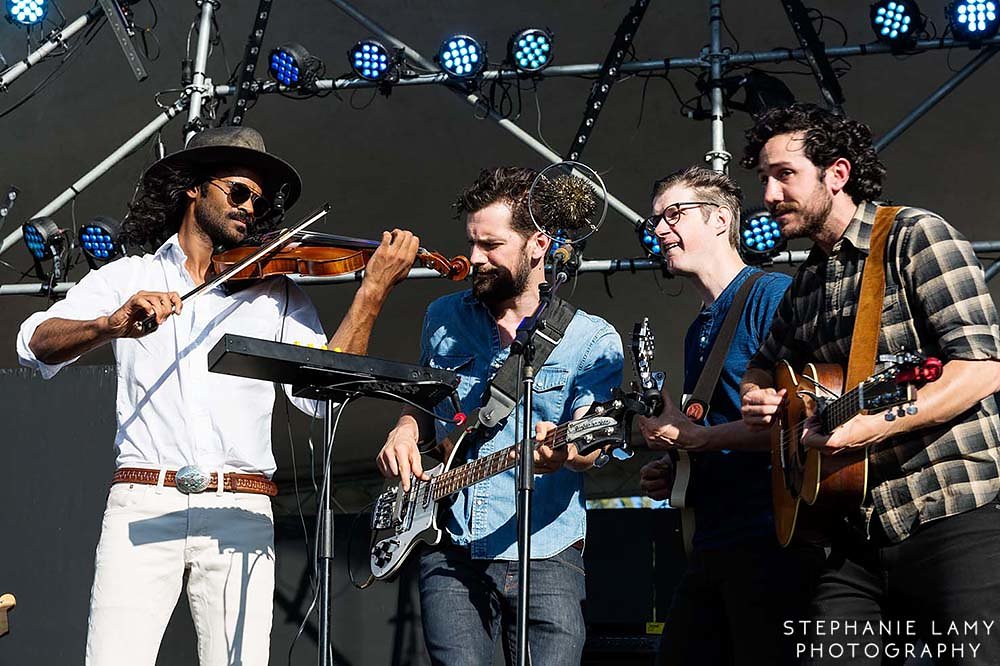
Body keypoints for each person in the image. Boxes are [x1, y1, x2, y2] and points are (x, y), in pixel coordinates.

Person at [16, 126, 419, 666]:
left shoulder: (276, 290)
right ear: (195, 190)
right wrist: (109, 325)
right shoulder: (127, 276)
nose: (251, 208)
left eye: (259, 199)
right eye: (239, 191)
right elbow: (34, 342)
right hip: (143, 502)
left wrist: (371, 292)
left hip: (240, 505)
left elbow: (320, 395)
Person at [739, 103, 1000, 664]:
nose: (768, 195)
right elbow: (762, 365)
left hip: (950, 510)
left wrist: (871, 426)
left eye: (784, 175)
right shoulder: (806, 280)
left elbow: (981, 366)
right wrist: (760, 395)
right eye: (764, 178)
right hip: (853, 531)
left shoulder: (916, 236)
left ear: (837, 174)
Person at [375, 167, 623, 666]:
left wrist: (568, 451)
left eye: (491, 245)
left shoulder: (593, 340)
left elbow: (593, 442)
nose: (474, 258)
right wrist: (404, 427)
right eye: (472, 242)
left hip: (546, 550)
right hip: (451, 546)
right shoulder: (443, 316)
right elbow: (424, 402)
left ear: (538, 244)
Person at [636, 166, 819, 665]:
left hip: (771, 537)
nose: (659, 230)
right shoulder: (698, 328)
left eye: (673, 214)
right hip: (714, 538)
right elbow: (712, 427)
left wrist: (695, 440)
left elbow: (800, 425)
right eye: (654, 222)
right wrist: (678, 468)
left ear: (720, 220)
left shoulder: (770, 295)